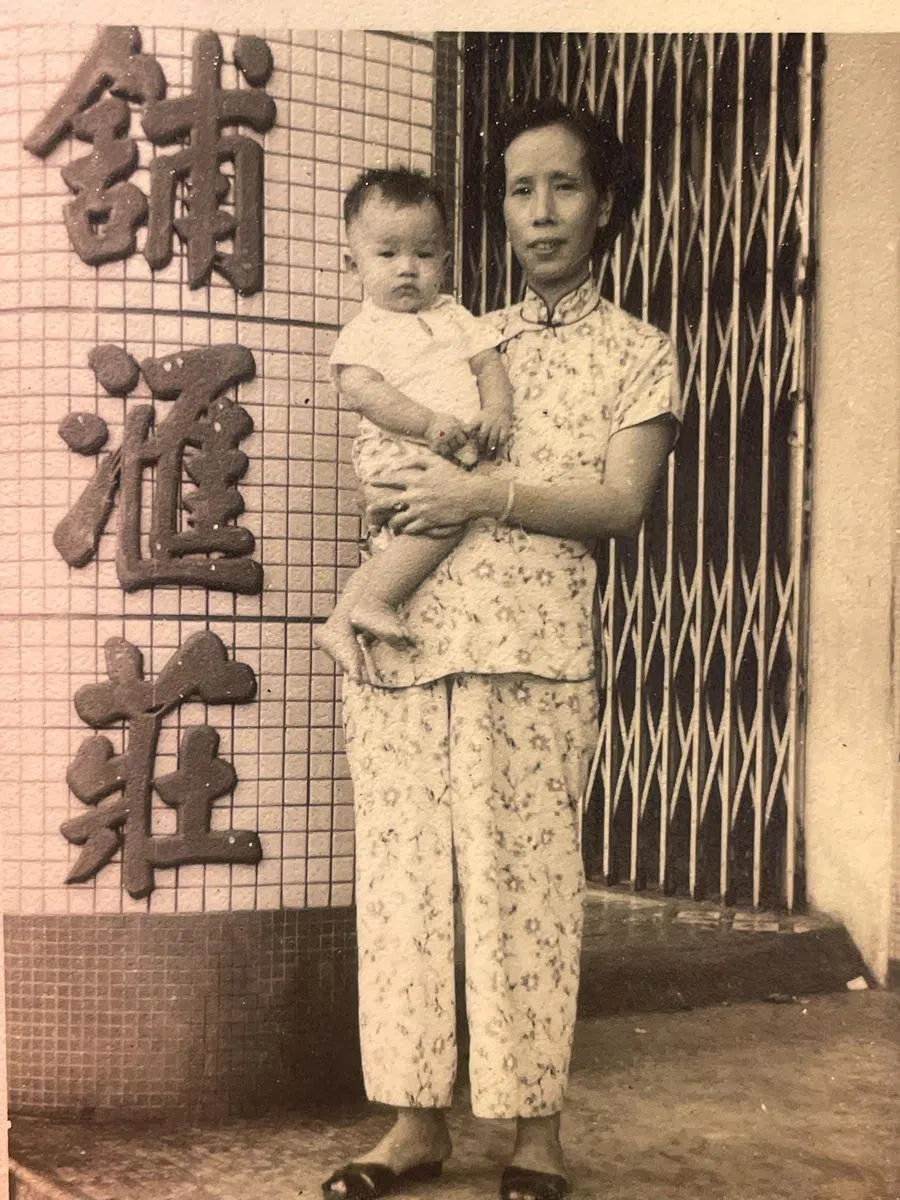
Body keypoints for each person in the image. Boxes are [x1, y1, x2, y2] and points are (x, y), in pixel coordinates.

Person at [322, 99, 684, 1200]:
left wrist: (490, 489)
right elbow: (376, 447)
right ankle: (411, 1123)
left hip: (532, 652)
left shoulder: (641, 352)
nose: (540, 210)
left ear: (604, 203)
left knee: (524, 891)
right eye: (520, 189)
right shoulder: (458, 328)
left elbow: (622, 503)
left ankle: (533, 1135)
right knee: (402, 888)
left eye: (563, 186)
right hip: (407, 644)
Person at [315, 167, 513, 681]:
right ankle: (373, 602)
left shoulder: (454, 316)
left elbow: (489, 364)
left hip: (445, 448)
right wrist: (427, 425)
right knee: (441, 522)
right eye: (388, 254)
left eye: (423, 255)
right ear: (352, 264)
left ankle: (340, 619)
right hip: (399, 447)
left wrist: (496, 410)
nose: (408, 268)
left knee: (408, 539)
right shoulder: (367, 329)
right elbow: (365, 392)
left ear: (444, 261)